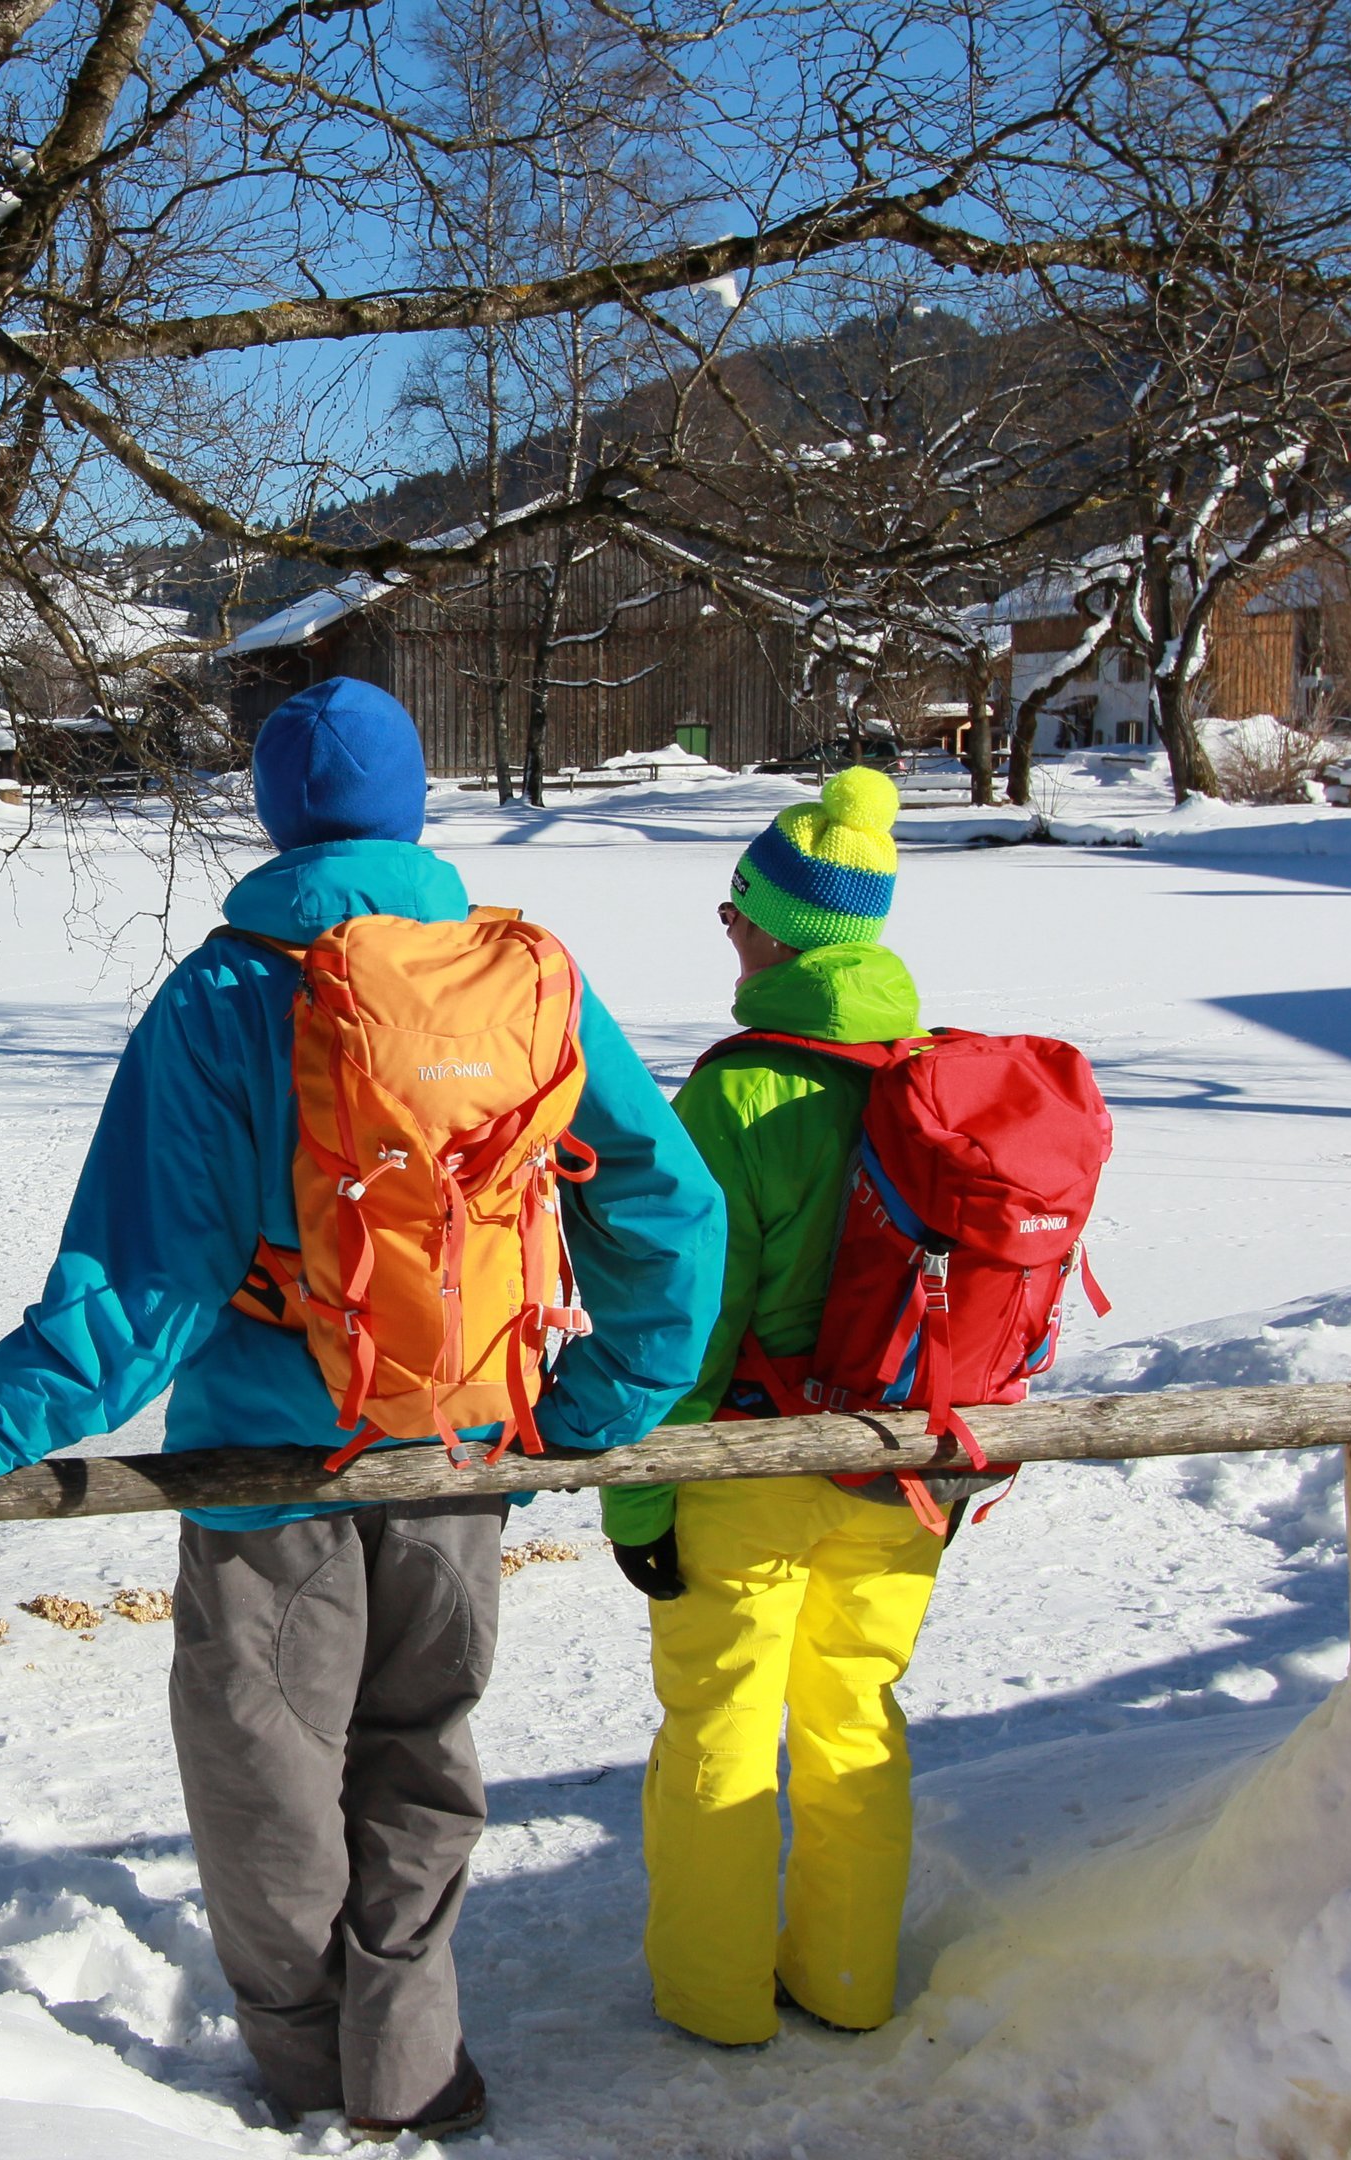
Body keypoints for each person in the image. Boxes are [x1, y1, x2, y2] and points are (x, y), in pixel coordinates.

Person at [0, 678, 724, 2142]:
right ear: (417, 805)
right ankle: (414, 2070)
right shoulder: (524, 982)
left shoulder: (229, 992)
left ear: (273, 811)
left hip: (272, 1465)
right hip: (465, 1440)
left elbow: (145, 1287)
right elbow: (670, 1205)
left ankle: (311, 2081)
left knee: (270, 1777)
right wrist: (592, 1405)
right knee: (422, 1750)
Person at [605, 765, 945, 2048]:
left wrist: (638, 1494)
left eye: (736, 909)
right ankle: (849, 1983)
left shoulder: (739, 1095)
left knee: (723, 1727)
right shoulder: (928, 1071)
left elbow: (688, 1329)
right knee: (855, 1718)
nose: (728, 931)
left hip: (749, 1472)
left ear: (782, 927)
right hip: (905, 1471)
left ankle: (717, 2001)